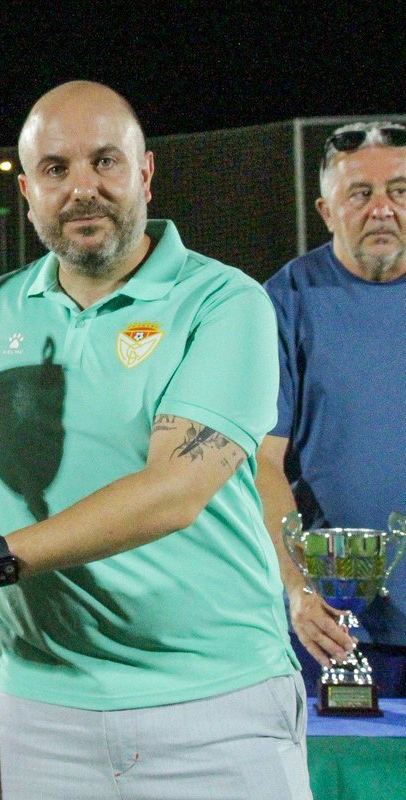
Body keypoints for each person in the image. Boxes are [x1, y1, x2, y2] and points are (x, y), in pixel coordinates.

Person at [0, 81, 310, 799]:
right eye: (57, 170)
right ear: (28, 187)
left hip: (214, 703)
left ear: (146, 173)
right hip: (42, 704)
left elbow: (174, 492)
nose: (83, 189)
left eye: (106, 162)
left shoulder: (225, 303)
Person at [257, 121, 406, 695]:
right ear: (325, 210)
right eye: (360, 194)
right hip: (335, 627)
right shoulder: (285, 301)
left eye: (399, 190)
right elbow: (261, 462)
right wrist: (295, 587)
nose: (382, 210)